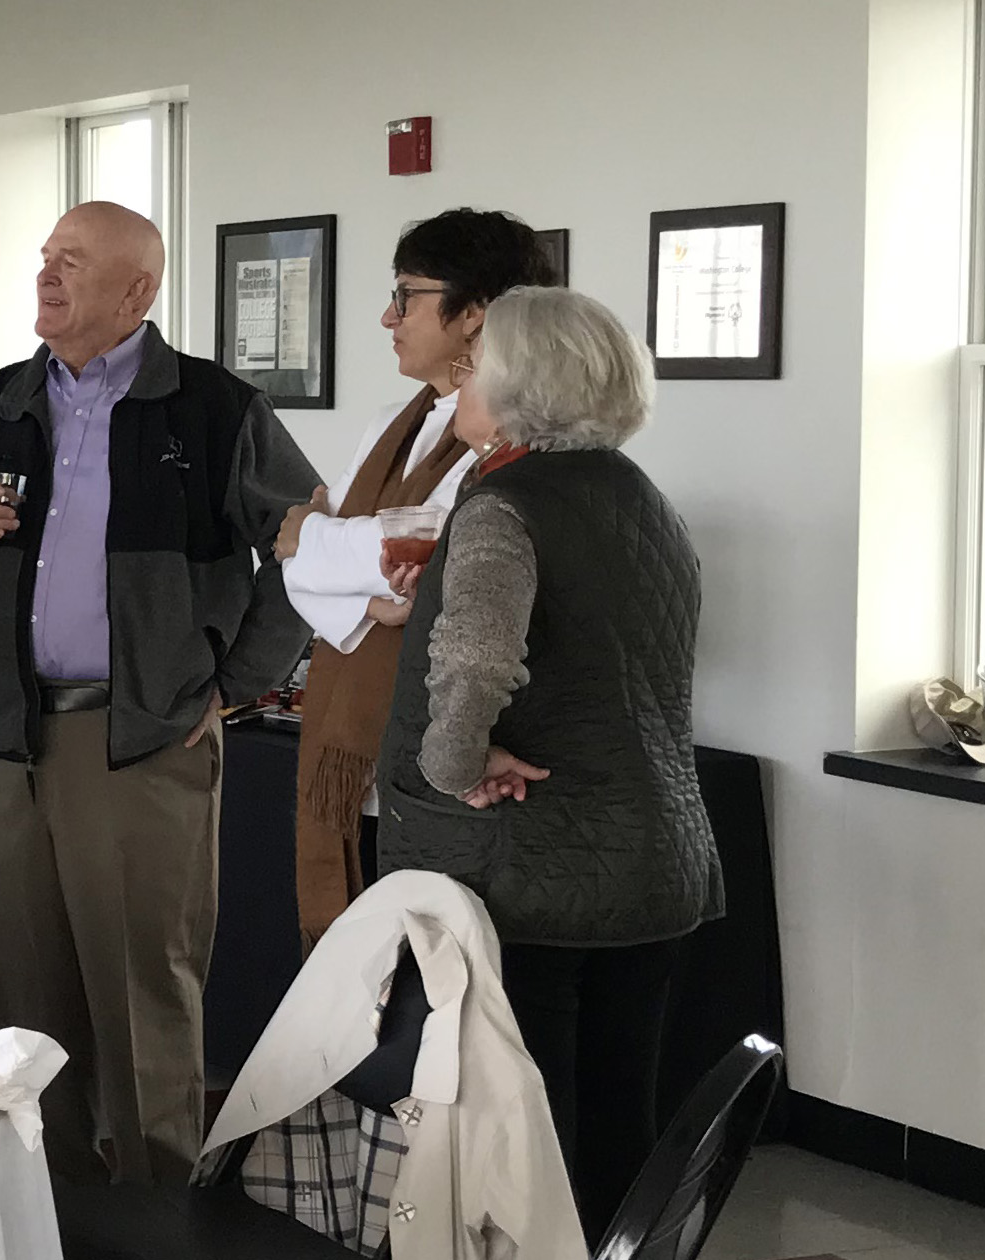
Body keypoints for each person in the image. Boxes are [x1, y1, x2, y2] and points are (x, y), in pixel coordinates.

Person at [0, 200, 319, 1185]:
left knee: (143, 1004)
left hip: (139, 746)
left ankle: (157, 1217)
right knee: (26, 1011)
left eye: (74, 263)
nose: (47, 277)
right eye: (45, 258)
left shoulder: (219, 412)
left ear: (139, 291)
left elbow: (311, 547)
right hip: (8, 747)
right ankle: (45, 1215)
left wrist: (229, 688)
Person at [374, 285, 724, 1243]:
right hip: (655, 860)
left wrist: (454, 763)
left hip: (535, 875)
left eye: (476, 366)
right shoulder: (641, 498)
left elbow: (479, 663)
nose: (460, 382)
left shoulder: (505, 505)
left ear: (517, 385)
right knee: (619, 1131)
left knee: (526, 1149)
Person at [275, 209, 556, 947]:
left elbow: (427, 549)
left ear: (476, 315)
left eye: (407, 296)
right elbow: (293, 565)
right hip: (354, 749)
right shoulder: (389, 422)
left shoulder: (505, 437)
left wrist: (321, 539)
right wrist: (358, 585)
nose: (386, 317)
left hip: (433, 759)